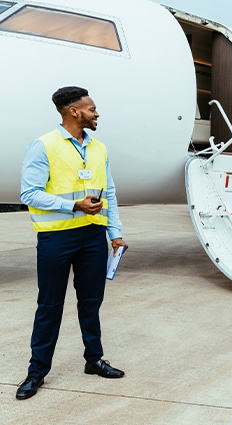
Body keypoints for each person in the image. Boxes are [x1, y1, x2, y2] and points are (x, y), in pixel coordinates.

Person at [16, 86, 128, 400]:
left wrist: (114, 233)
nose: (97, 113)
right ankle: (36, 371)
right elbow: (29, 194)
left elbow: (111, 194)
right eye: (92, 109)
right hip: (56, 238)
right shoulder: (43, 146)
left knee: (91, 304)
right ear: (74, 111)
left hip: (94, 237)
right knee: (49, 306)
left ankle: (93, 360)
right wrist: (74, 205)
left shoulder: (100, 148)